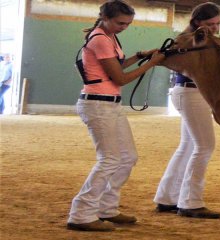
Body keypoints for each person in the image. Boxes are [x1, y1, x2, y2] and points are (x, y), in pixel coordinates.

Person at [67, 0, 165, 232]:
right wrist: (151, 63)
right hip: (98, 104)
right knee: (110, 159)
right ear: (106, 18)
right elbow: (120, 78)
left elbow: (117, 65)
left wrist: (141, 55)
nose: (124, 27)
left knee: (127, 157)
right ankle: (81, 214)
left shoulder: (109, 35)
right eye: (120, 23)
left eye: (128, 24)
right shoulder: (100, 38)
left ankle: (106, 208)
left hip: (110, 104)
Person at [153, 2, 220, 219]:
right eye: (210, 24)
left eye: (218, 23)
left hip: (189, 92)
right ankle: (190, 202)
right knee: (205, 146)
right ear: (197, 22)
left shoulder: (200, 38)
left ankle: (167, 198)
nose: (215, 28)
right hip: (191, 92)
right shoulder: (188, 39)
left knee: (188, 145)